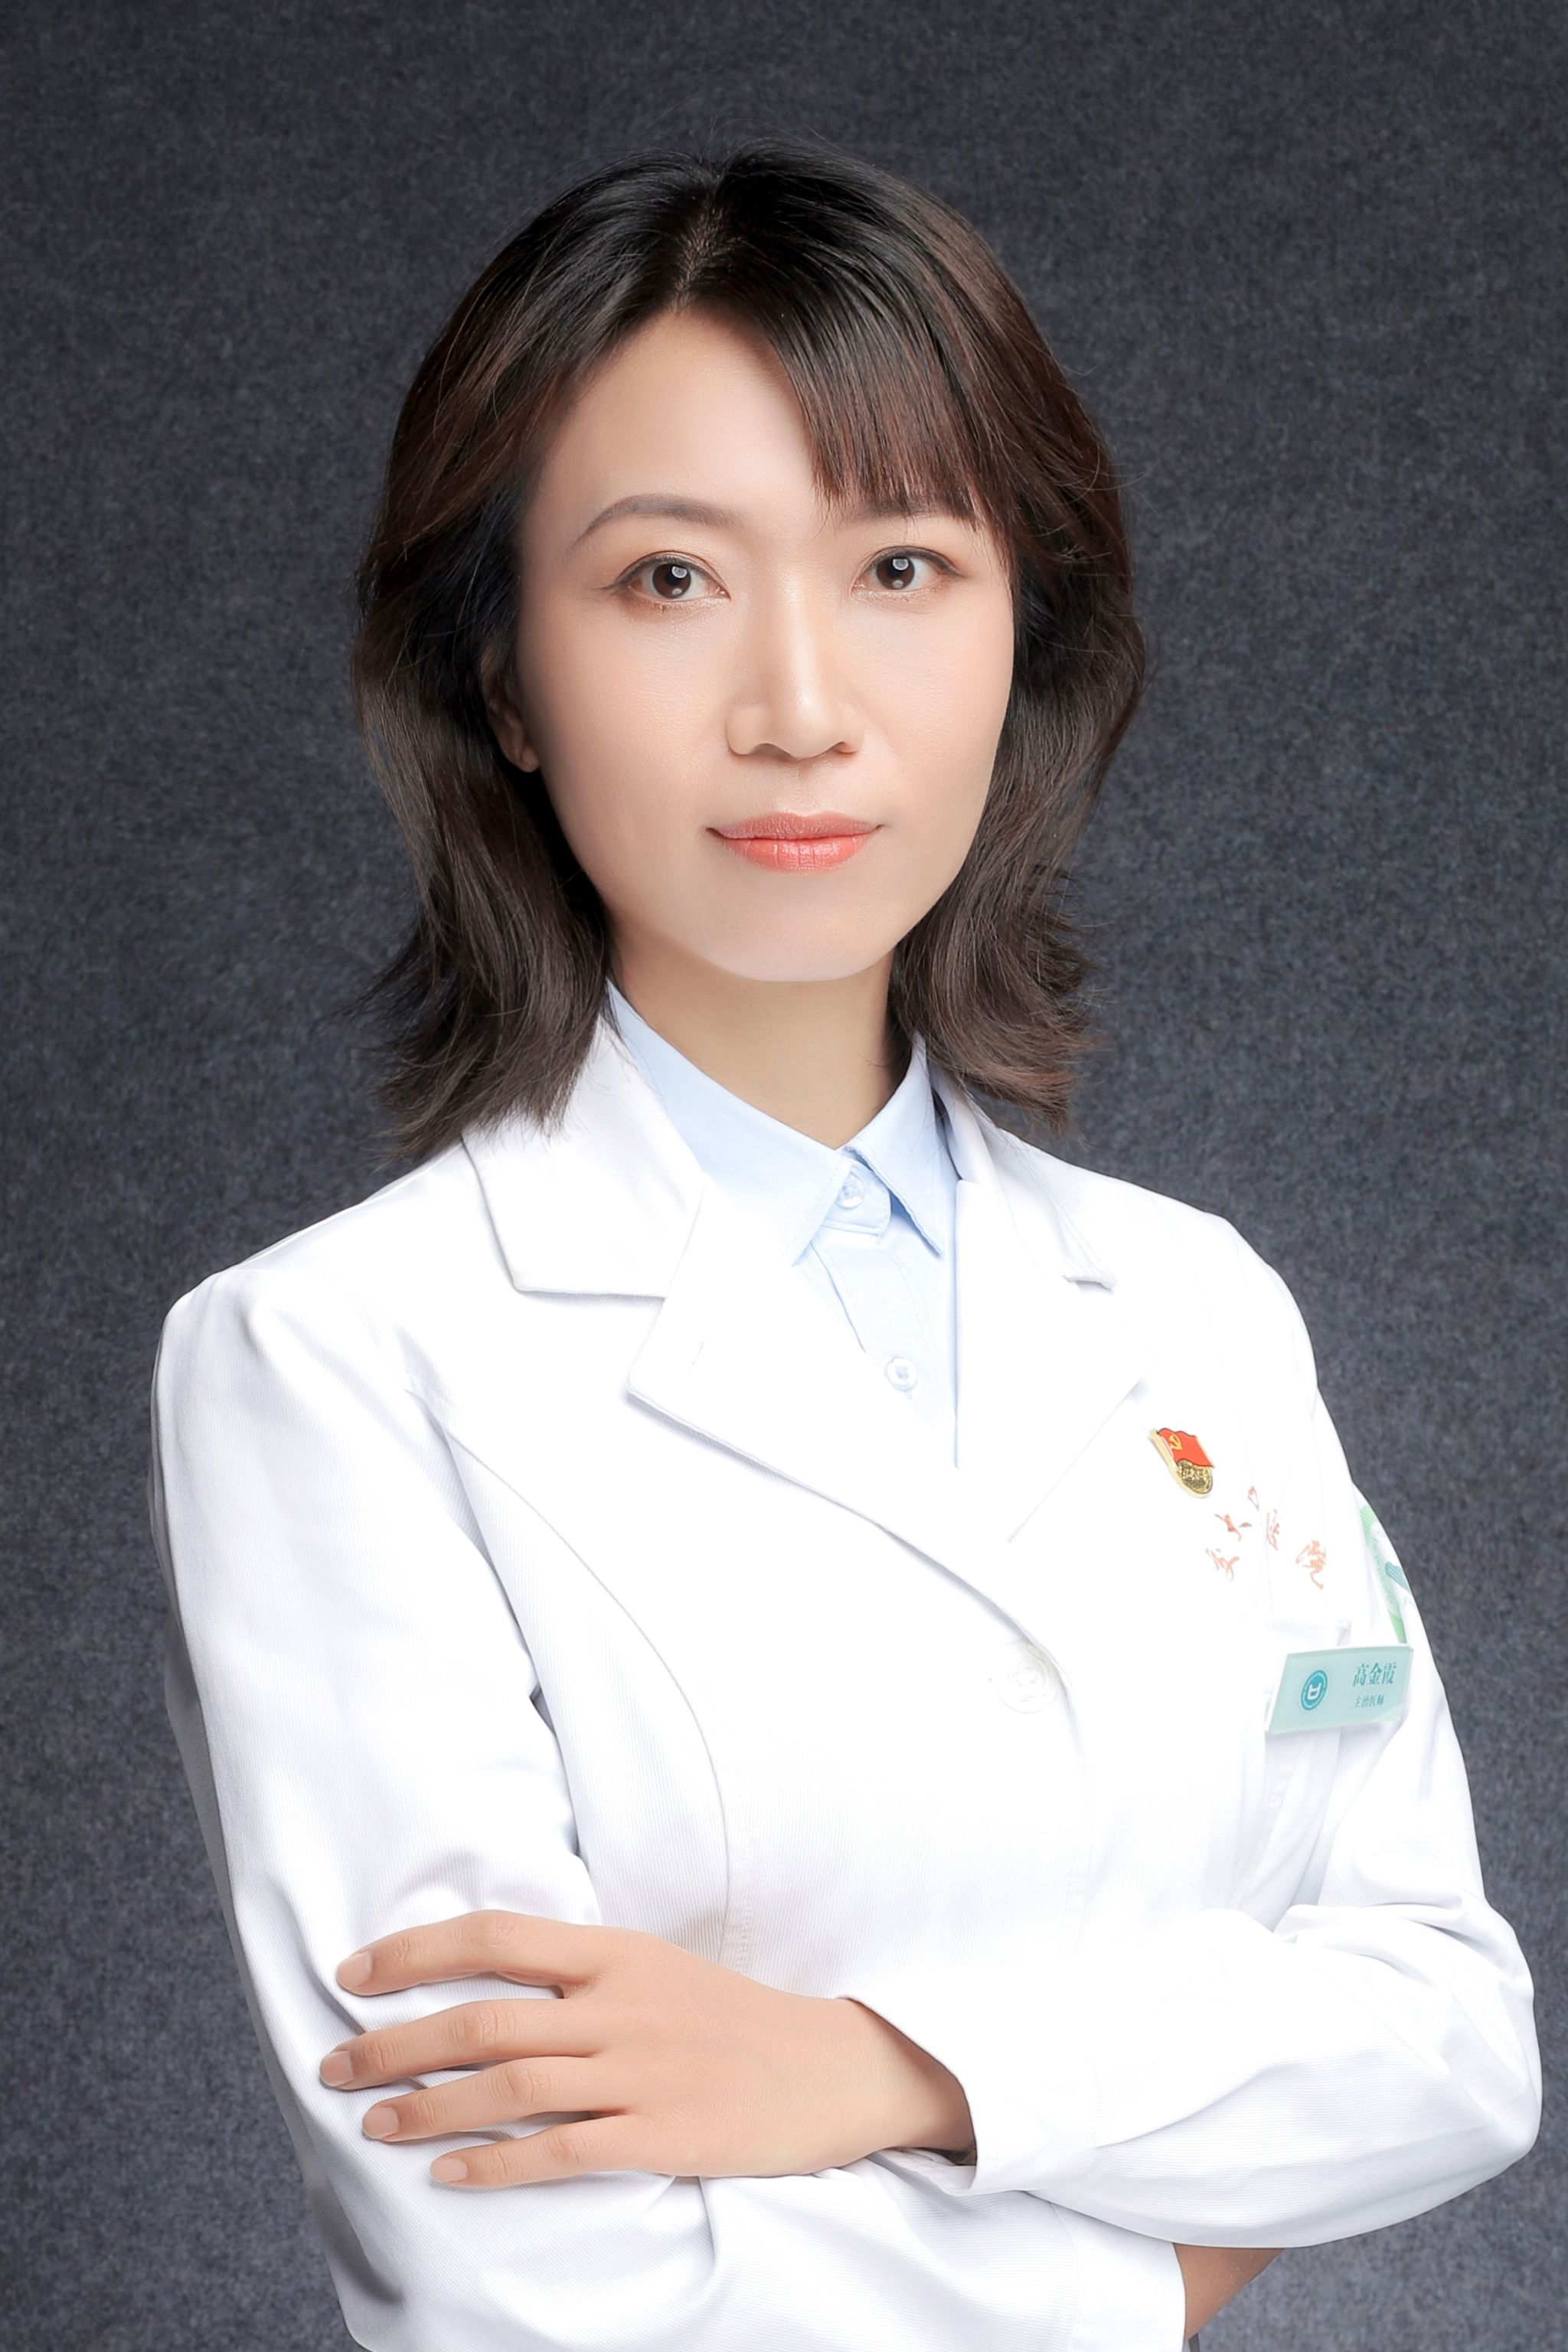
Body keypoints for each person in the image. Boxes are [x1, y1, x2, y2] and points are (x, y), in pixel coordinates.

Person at [148, 140, 1540, 2352]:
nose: (800, 703)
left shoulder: (1197, 1306)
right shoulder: (330, 1359)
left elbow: (1450, 2040)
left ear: (1022, 639)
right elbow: (524, 2280)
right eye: (668, 581)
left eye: (901, 564)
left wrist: (883, 2071)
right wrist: (1162, 2264)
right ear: (502, 681)